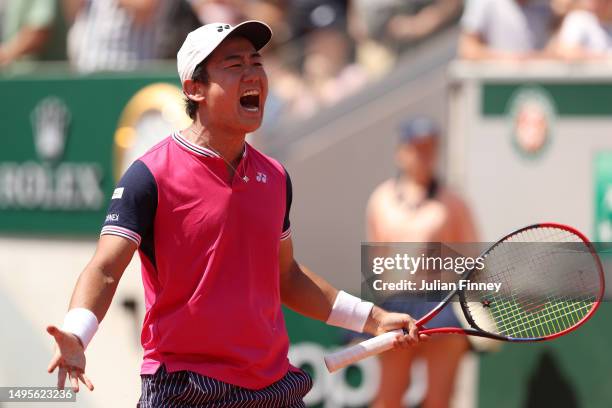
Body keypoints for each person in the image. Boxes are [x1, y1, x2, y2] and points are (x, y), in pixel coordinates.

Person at [45, 21, 424, 407]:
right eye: (234, 65)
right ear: (194, 87)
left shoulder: (274, 176)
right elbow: (106, 268)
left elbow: (286, 275)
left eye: (256, 62)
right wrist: (77, 333)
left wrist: (374, 318)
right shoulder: (150, 176)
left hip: (274, 386)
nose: (253, 74)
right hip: (185, 388)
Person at [366, 117, 478, 408]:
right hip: (394, 306)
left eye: (430, 148)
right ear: (401, 152)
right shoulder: (381, 200)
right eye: (417, 147)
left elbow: (472, 261)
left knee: (439, 400)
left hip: (440, 307)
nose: (424, 154)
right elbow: (377, 261)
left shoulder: (453, 202)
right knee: (388, 399)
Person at [459, 0, 552, 60]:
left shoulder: (547, 5)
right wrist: (507, 59)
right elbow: (467, 49)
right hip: (493, 83)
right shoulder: (483, 3)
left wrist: (534, 58)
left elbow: (557, 48)